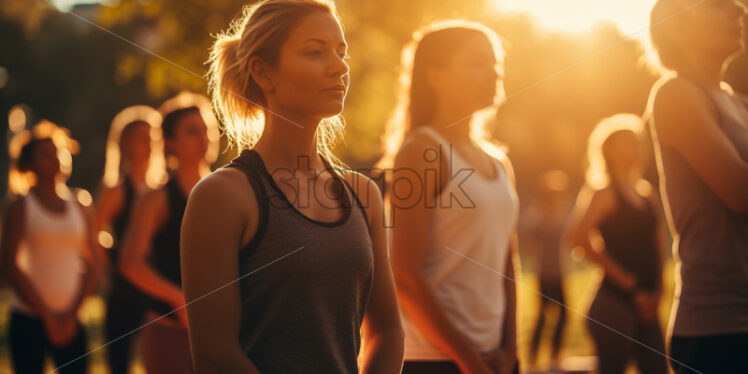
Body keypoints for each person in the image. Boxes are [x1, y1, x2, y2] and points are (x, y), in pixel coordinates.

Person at [181, 1, 404, 372]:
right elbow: (214, 353)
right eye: (315, 52)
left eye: (341, 51)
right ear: (263, 73)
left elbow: (388, 329)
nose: (340, 67)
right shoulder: (222, 196)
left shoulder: (364, 195)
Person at [379, 20, 519, 374]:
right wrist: (469, 361)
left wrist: (511, 350)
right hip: (436, 360)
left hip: (496, 360)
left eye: (494, 63)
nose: (493, 72)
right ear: (436, 76)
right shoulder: (422, 151)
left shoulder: (499, 161)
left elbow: (507, 263)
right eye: (476, 63)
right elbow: (406, 276)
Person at [647, 0, 748, 372]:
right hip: (716, 333)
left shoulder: (740, 103)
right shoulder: (675, 94)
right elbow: (739, 192)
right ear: (677, 25)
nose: (739, 10)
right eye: (719, 4)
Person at [118, 92, 219, 374]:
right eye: (191, 131)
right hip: (168, 332)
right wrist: (180, 299)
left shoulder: (227, 191)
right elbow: (130, 262)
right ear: (170, 142)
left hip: (219, 333)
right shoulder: (156, 198)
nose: (204, 138)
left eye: (207, 130)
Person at [565, 114, 667, 374]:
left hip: (649, 303)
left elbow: (659, 246)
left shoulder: (646, 194)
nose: (636, 148)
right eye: (627, 142)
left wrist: (658, 292)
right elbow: (577, 239)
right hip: (615, 304)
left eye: (637, 142)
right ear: (608, 149)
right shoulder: (604, 192)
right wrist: (629, 284)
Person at [1, 121, 98, 374]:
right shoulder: (21, 205)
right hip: (28, 321)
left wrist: (70, 316)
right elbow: (9, 264)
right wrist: (48, 317)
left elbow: (94, 263)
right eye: (46, 154)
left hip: (72, 322)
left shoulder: (81, 203)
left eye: (58, 151)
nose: (55, 159)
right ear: (30, 163)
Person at [94, 105, 165, 374]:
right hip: (124, 295)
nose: (149, 144)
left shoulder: (161, 189)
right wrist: (111, 262)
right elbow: (92, 234)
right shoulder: (116, 189)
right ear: (124, 144)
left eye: (152, 137)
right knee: (120, 365)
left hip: (155, 293)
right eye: (141, 137)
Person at [524, 170, 570, 368]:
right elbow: (526, 238)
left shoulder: (559, 213)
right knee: (543, 316)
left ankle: (555, 356)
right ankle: (533, 358)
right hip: (544, 274)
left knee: (564, 316)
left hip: (560, 272)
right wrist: (536, 253)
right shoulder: (538, 215)